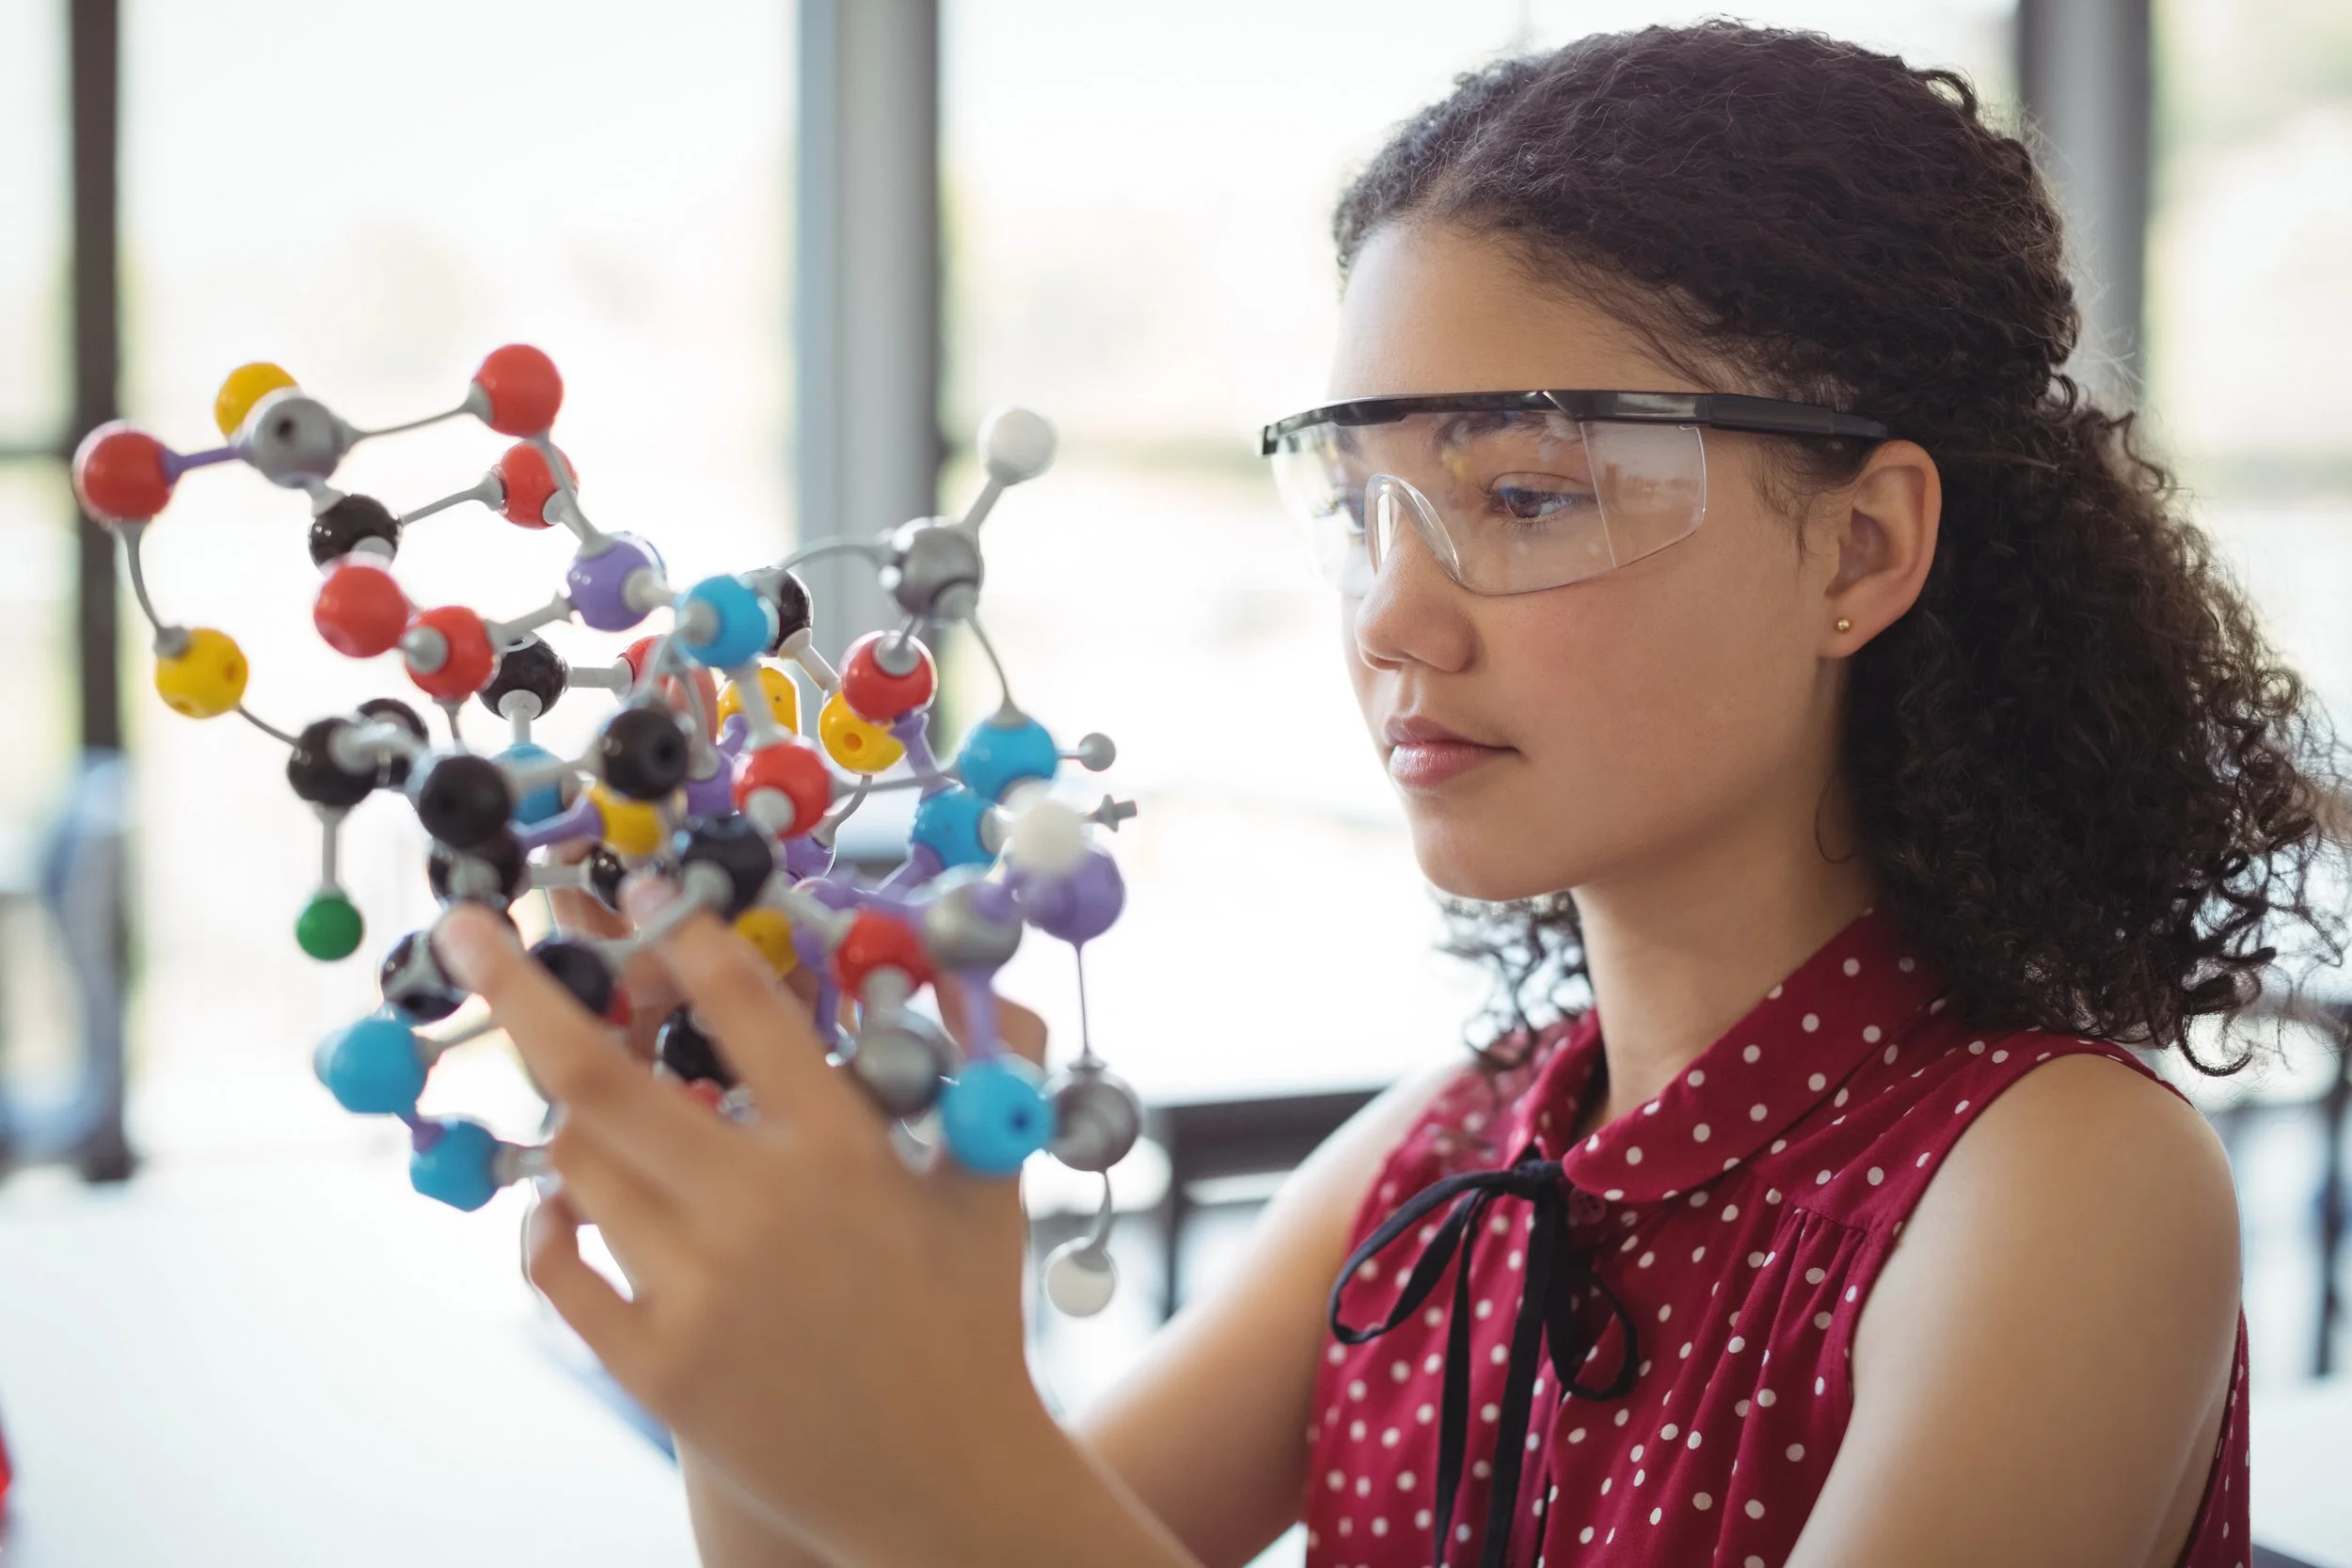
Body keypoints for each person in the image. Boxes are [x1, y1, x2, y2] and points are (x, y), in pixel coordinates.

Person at [432, 21, 2338, 1568]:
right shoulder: (1443, 1153)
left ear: (1859, 547)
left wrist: (934, 1439)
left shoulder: (2060, 1181)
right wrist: (773, 1307)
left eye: (1523, 492)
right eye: (1359, 509)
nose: (1393, 615)